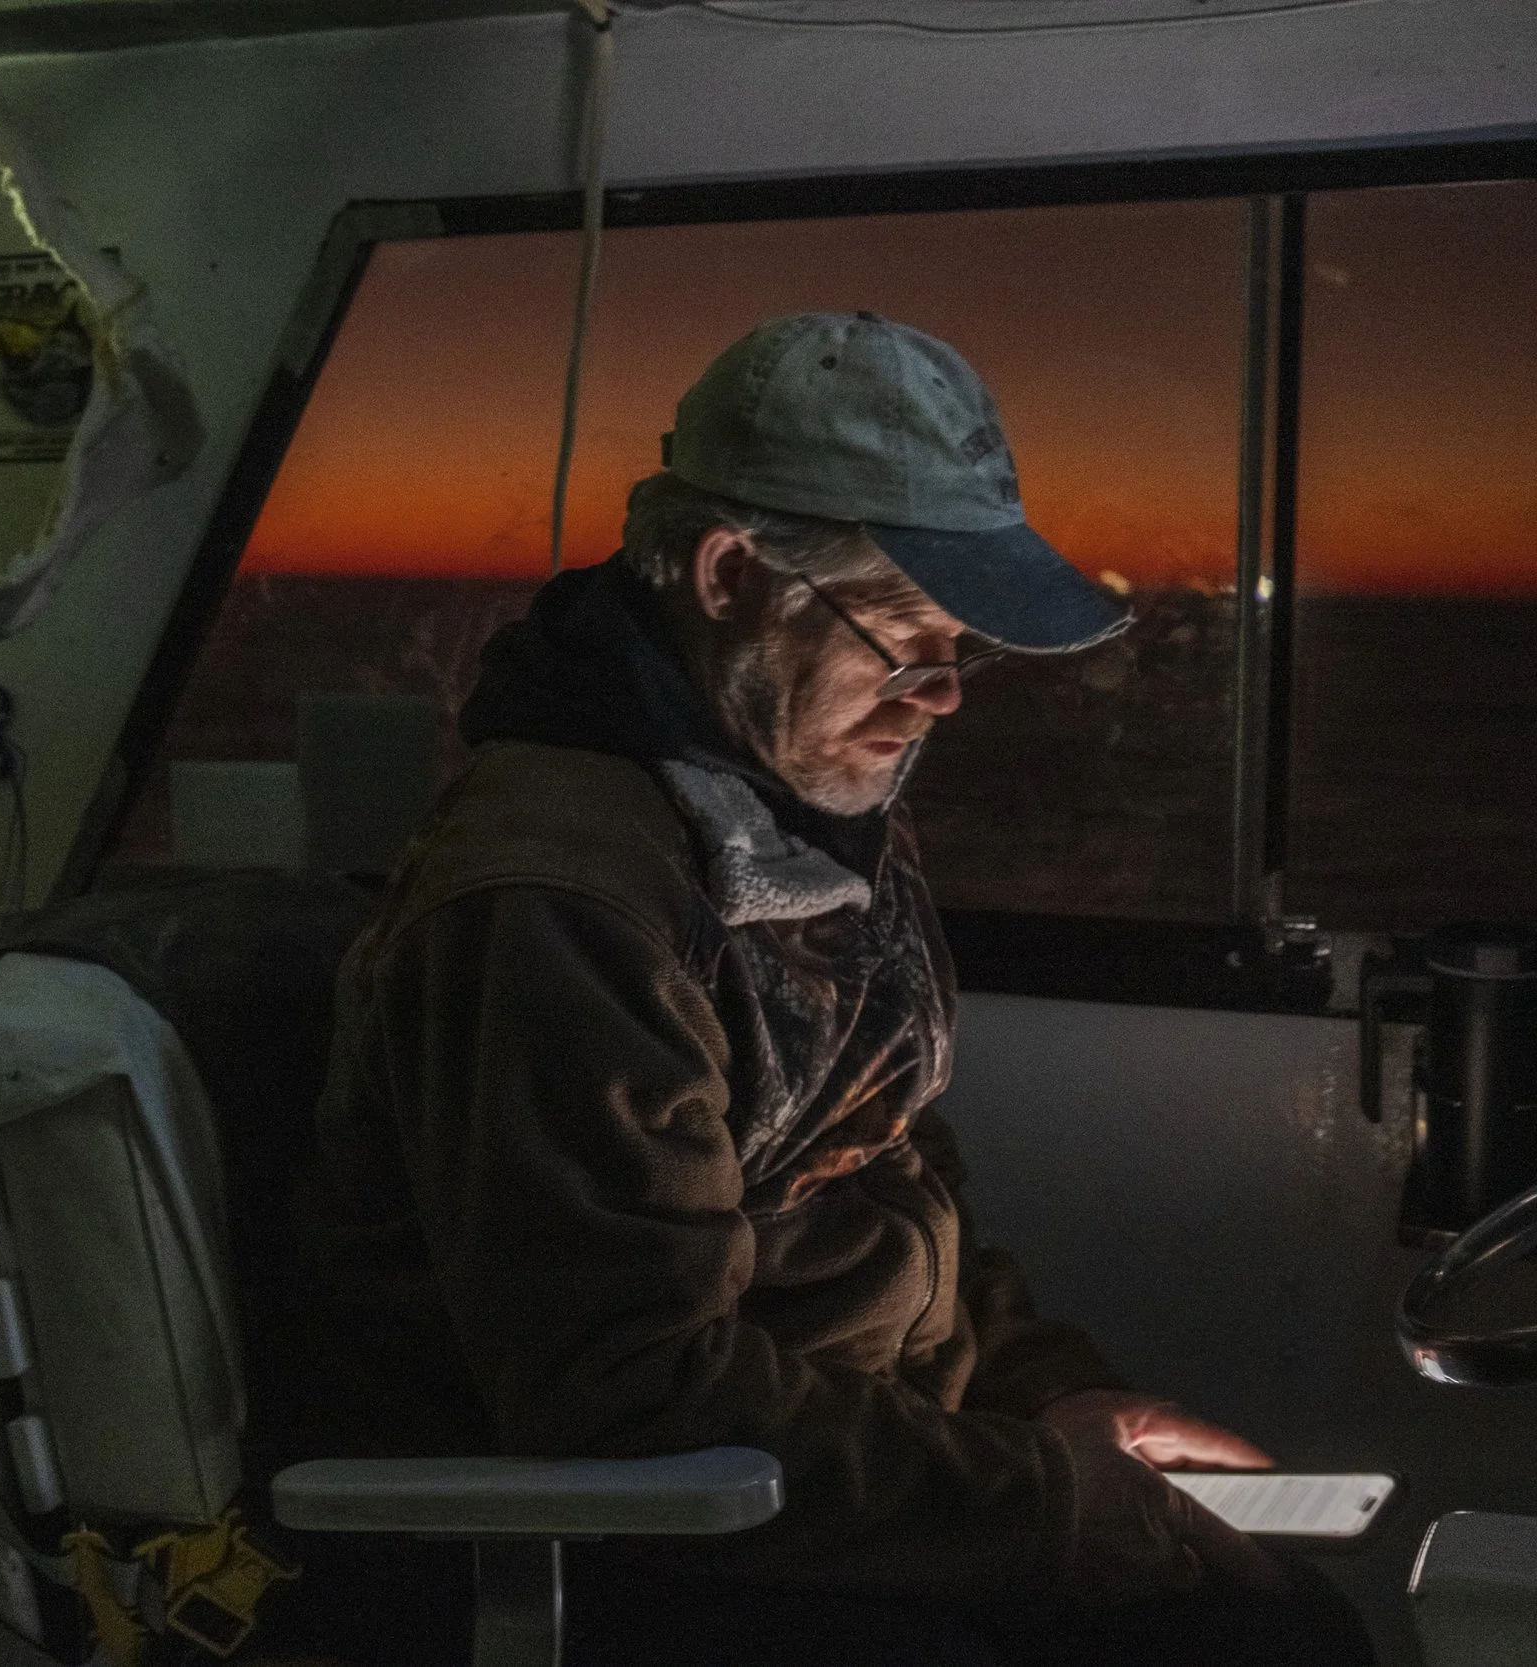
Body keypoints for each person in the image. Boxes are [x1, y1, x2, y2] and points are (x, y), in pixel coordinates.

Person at [290, 312, 1374, 1665]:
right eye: (908, 640)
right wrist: (1047, 1509)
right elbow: (631, 1393)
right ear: (732, 574)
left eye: (959, 653)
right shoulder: (556, 903)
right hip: (642, 1534)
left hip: (824, 1470)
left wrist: (1059, 1401)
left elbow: (886, 1186)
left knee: (1287, 1622)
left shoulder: (802, 813)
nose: (942, 699)